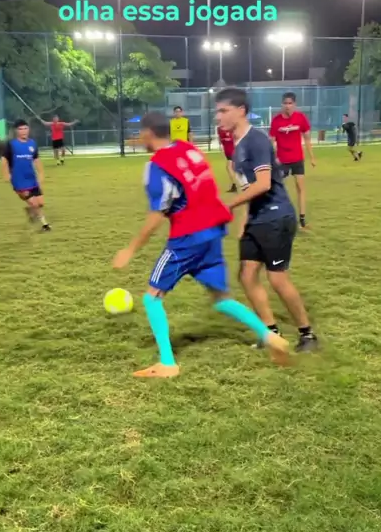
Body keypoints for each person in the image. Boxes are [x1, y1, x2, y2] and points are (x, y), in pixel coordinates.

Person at [112, 111, 289, 378]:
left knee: (152, 297)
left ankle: (167, 363)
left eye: (141, 133)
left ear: (148, 133)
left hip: (187, 238)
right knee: (221, 299)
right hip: (213, 232)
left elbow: (157, 214)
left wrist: (130, 249)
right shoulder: (190, 150)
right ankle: (270, 337)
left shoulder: (157, 165)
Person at [215, 87, 318, 352]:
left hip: (276, 216)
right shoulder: (238, 145)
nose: (218, 116)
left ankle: (308, 335)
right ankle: (270, 332)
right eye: (217, 111)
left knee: (277, 279)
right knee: (247, 275)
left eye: (224, 110)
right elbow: (248, 187)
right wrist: (244, 220)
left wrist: (228, 205)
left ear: (241, 111)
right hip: (257, 219)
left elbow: (262, 184)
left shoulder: (256, 140)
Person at [269, 92, 316, 230]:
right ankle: (277, 218)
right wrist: (274, 159)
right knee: (278, 190)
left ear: (294, 104)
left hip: (297, 159)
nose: (287, 106)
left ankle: (302, 220)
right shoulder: (276, 121)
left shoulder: (300, 118)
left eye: (290, 103)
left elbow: (307, 139)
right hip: (282, 161)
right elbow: (271, 142)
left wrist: (312, 157)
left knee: (301, 188)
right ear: (282, 104)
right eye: (285, 103)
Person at [1, 119, 51, 232]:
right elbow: (4, 159)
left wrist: (41, 173)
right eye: (20, 129)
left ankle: (31, 211)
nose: (23, 131)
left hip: (31, 178)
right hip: (19, 179)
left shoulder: (32, 143)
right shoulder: (11, 144)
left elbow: (36, 159)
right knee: (34, 203)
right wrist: (6, 174)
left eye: (25, 128)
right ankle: (45, 225)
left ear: (29, 129)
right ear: (16, 131)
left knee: (40, 203)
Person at [217, 123, 237, 192]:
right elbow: (220, 139)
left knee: (229, 167)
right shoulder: (219, 129)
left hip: (232, 151)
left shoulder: (231, 128)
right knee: (233, 168)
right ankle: (236, 184)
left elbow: (236, 138)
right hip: (228, 151)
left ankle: (234, 185)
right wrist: (220, 146)